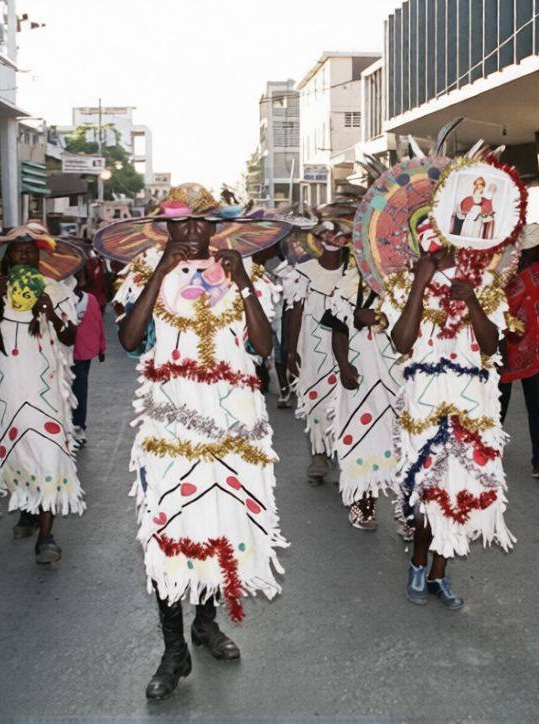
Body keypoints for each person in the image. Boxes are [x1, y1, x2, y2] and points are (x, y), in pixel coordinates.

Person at [115, 201, 284, 700]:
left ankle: (205, 626)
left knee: (218, 526)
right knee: (169, 533)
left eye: (201, 224)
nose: (191, 232)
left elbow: (263, 347)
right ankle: (173, 650)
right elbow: (129, 340)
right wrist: (162, 272)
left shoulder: (243, 271)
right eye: (180, 224)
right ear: (163, 230)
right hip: (171, 428)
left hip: (234, 428)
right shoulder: (146, 271)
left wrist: (244, 281)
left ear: (217, 229)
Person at [385, 230, 514, 611]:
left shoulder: (485, 282)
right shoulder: (404, 282)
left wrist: (472, 300)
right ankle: (418, 564)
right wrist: (419, 285)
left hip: (471, 404)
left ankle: (439, 573)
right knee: (427, 490)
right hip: (424, 403)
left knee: (460, 491)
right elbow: (401, 341)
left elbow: (491, 345)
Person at [0, 228, 83, 564]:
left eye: (31, 252)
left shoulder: (55, 288)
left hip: (46, 392)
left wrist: (50, 311)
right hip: (6, 394)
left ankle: (46, 536)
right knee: (17, 456)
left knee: (48, 455)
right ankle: (30, 509)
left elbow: (70, 338)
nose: (26, 257)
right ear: (6, 258)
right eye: (18, 252)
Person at [323, 235, 402, 530]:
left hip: (398, 376)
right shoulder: (346, 286)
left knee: (402, 439)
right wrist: (343, 365)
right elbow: (338, 330)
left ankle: (407, 510)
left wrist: (379, 318)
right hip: (359, 375)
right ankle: (362, 501)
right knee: (360, 435)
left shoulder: (406, 285)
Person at [285, 220, 351, 485]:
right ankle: (319, 454)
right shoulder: (305, 271)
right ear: (318, 238)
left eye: (340, 235)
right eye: (328, 234)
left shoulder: (353, 274)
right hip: (312, 347)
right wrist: (291, 351)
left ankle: (344, 454)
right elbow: (295, 311)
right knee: (315, 398)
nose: (333, 239)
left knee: (344, 400)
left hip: (347, 346)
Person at [498, 222, 539, 478]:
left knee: (536, 406)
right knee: (499, 403)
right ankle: (490, 448)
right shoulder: (504, 276)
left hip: (534, 348)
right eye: (538, 248)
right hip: (507, 347)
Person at [71, 265, 106, 447]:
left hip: (83, 354)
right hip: (61, 352)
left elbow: (98, 324)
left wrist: (101, 348)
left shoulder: (90, 300)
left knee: (79, 389)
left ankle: (78, 425)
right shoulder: (56, 300)